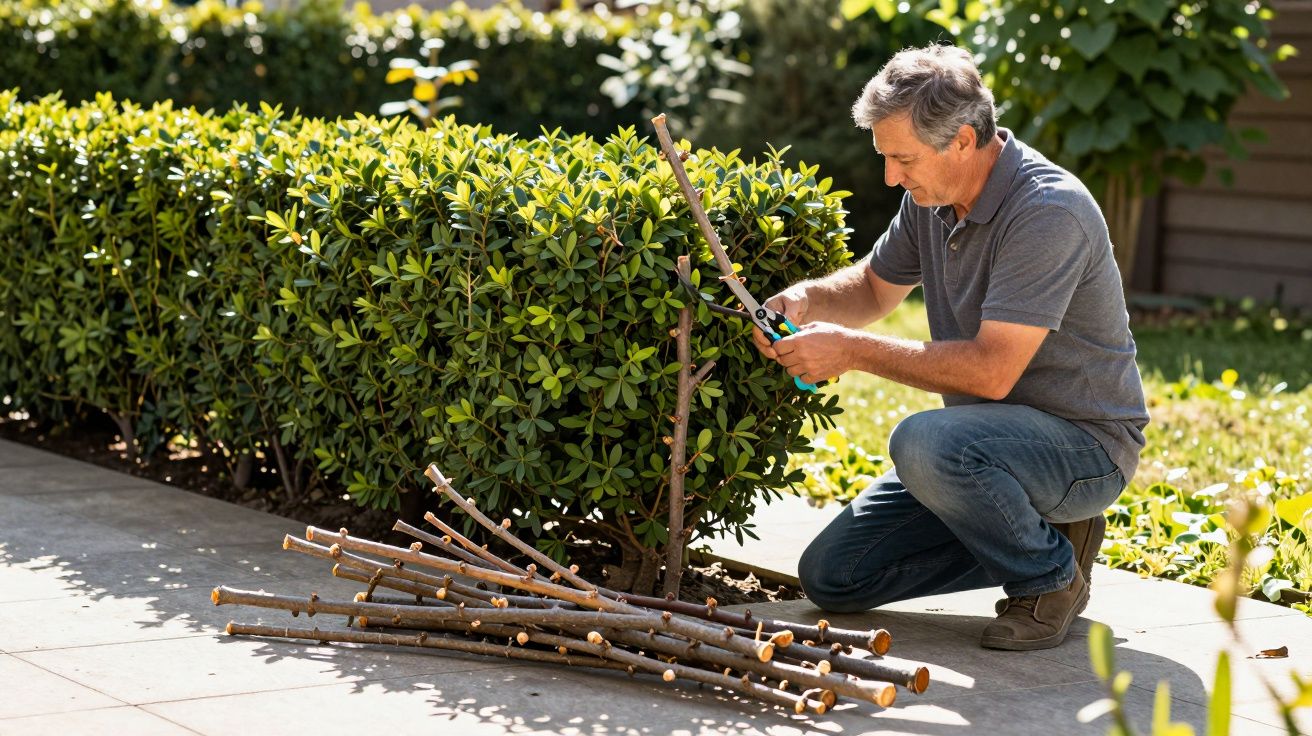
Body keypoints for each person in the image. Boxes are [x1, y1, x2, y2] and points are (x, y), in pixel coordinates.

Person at [752, 43, 1149, 651]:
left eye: (902, 158)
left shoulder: (1048, 212)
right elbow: (870, 289)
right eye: (885, 157)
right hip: (985, 450)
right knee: (835, 577)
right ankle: (1044, 534)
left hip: (1083, 446)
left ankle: (1048, 579)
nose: (891, 177)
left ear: (964, 140)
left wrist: (851, 351)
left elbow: (991, 372)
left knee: (922, 441)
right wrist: (805, 300)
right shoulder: (930, 202)